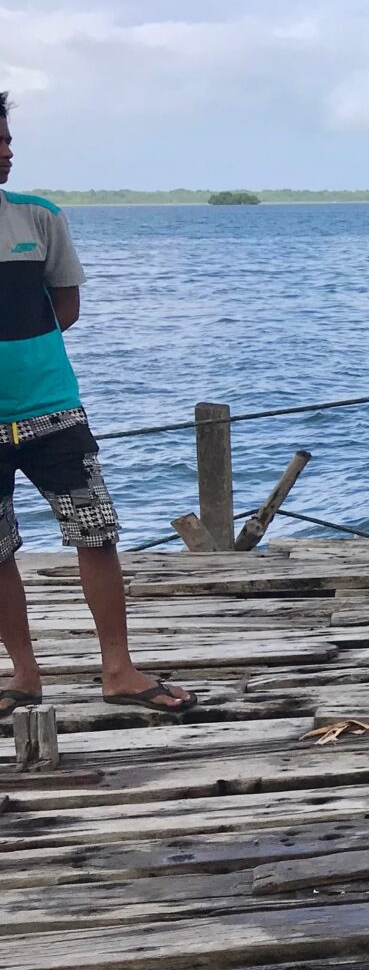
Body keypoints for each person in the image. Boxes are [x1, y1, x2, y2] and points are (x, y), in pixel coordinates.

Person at [0, 92, 192, 720]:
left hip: (54, 410)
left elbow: (66, 309)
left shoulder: (39, 218)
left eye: (8, 141)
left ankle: (118, 668)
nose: (6, 152)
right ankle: (23, 675)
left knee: (96, 532)